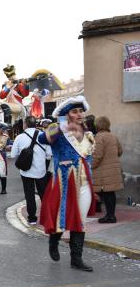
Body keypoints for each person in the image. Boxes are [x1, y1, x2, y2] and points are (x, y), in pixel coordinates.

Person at [38, 96, 96, 272]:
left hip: (84, 184)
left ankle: (76, 258)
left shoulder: (88, 135)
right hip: (64, 182)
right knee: (60, 216)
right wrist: (61, 127)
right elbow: (43, 139)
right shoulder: (60, 131)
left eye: (80, 111)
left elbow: (89, 161)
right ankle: (54, 240)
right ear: (67, 115)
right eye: (74, 111)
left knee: (81, 220)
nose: (79, 114)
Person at [10, 116, 51, 225]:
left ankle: (32, 218)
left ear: (25, 124)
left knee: (29, 195)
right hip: (41, 171)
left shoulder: (19, 137)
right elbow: (49, 155)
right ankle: (46, 217)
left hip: (26, 171)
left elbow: (14, 154)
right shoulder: (43, 136)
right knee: (44, 194)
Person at [92, 116, 123, 223]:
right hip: (113, 170)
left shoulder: (99, 137)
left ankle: (110, 216)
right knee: (110, 193)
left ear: (98, 125)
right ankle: (111, 215)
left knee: (106, 194)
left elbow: (97, 156)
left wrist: (91, 166)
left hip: (103, 171)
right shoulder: (113, 136)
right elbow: (120, 151)